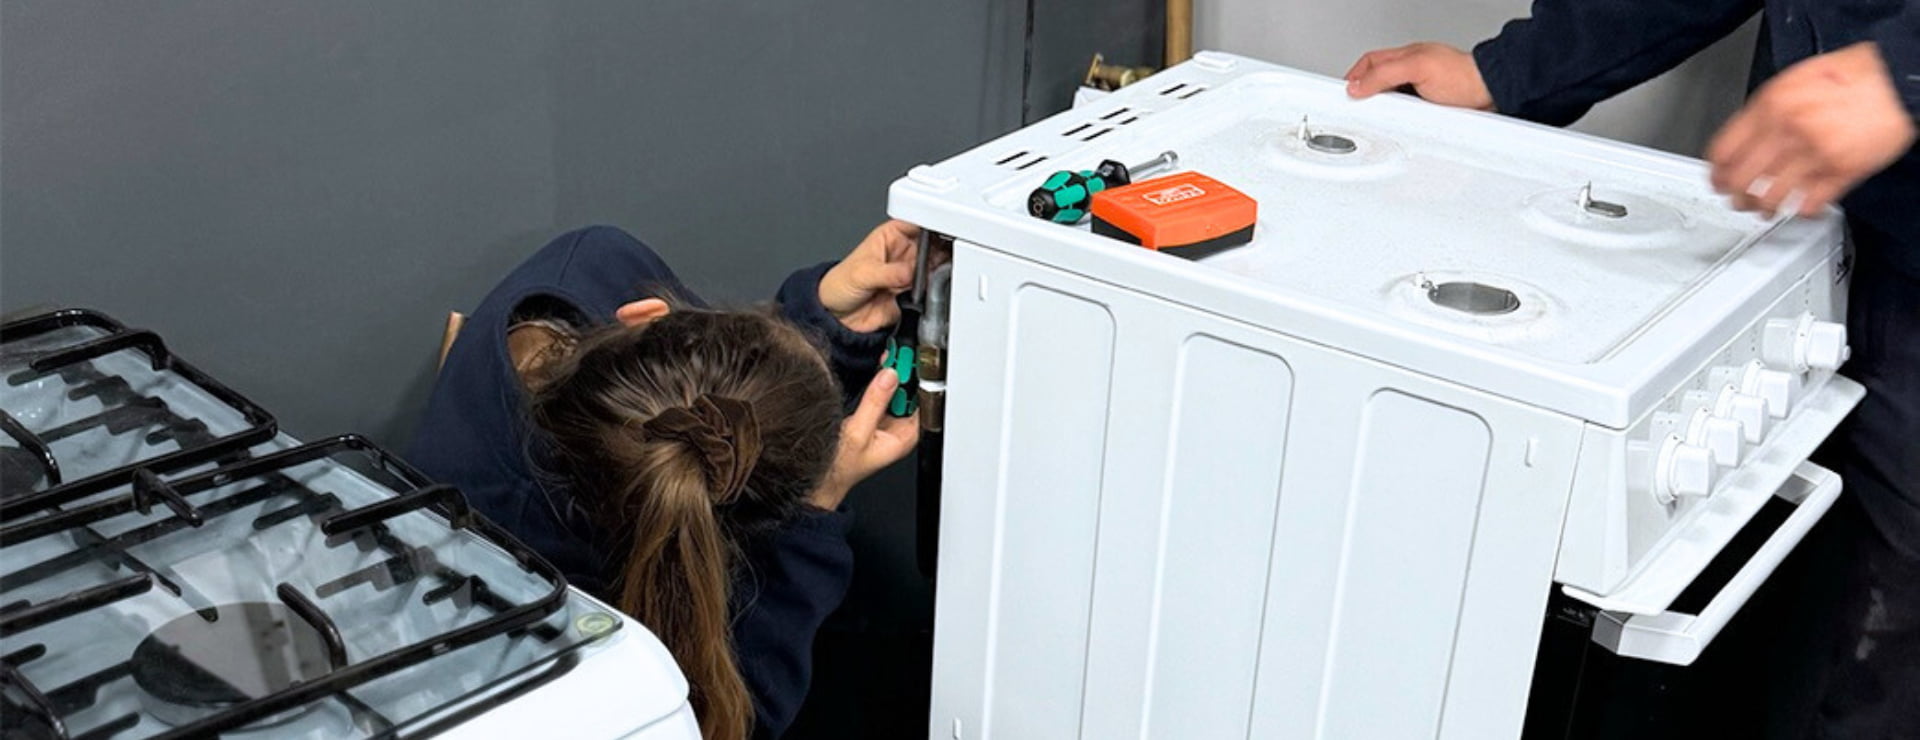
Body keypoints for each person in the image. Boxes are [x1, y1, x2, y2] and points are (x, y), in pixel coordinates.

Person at [1343, 3, 1918, 737]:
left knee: (1882, 656)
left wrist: (1903, 72)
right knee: (1774, 610)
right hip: (1798, 222)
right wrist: (1508, 73)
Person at [407, 222, 922, 740]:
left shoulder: (599, 266)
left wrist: (820, 315)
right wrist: (816, 512)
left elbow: (709, 396)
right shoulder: (543, 583)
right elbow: (720, 724)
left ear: (646, 317)